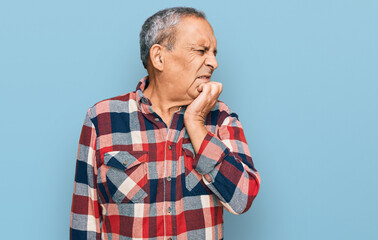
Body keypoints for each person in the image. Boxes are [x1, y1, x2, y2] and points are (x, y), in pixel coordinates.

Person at [70, 7, 260, 240]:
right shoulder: (101, 119)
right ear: (159, 57)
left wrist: (196, 123)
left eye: (213, 52)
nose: (213, 62)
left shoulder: (221, 117)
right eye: (201, 51)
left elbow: (243, 199)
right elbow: (85, 220)